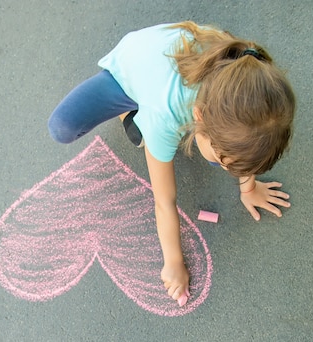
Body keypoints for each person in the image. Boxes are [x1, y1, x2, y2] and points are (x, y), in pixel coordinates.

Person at [47, 21, 296, 306]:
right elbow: (164, 202)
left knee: (229, 149)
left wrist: (248, 187)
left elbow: (247, 145)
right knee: (63, 127)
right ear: (200, 117)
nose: (232, 170)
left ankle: (153, 120)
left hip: (174, 65)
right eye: (225, 160)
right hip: (130, 69)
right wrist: (173, 263)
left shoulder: (250, 79)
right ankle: (129, 111)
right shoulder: (165, 116)